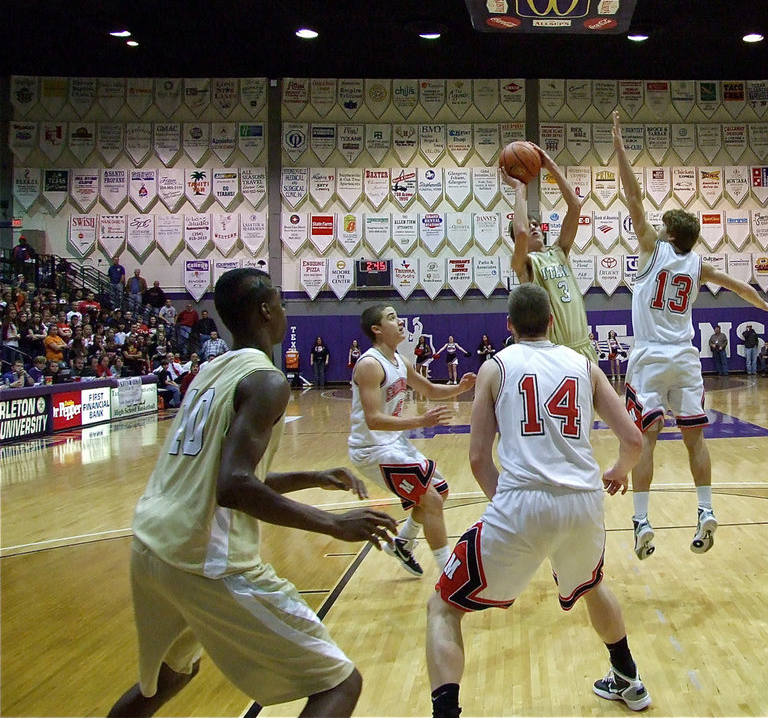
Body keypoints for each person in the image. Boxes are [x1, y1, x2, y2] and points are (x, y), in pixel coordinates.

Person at [107, 267, 397, 718]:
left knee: (168, 678)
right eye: (281, 303)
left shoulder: (212, 371)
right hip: (202, 557)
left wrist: (313, 476)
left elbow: (216, 475)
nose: (284, 311)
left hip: (150, 545)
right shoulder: (267, 381)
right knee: (338, 683)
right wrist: (333, 523)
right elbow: (233, 487)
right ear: (266, 311)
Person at [426, 283, 648, 718]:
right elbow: (634, 439)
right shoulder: (584, 365)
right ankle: (629, 678)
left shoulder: (495, 366)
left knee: (444, 605)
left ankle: (445, 713)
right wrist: (618, 471)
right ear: (552, 321)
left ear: (508, 325)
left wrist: (508, 505)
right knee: (591, 583)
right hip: (583, 503)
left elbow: (477, 458)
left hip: (522, 504)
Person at [614, 110, 768, 559]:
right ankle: (705, 509)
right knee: (695, 439)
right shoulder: (696, 264)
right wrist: (761, 303)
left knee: (645, 438)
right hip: (685, 358)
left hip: (649, 356)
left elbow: (631, 194)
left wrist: (618, 142)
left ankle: (642, 519)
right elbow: (736, 283)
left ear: (667, 232)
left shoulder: (652, 248)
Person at [350, 305, 476, 576]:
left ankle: (402, 543)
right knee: (430, 500)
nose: (400, 321)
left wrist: (460, 388)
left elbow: (428, 389)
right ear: (377, 329)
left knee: (439, 491)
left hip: (392, 443)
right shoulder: (370, 364)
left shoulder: (399, 361)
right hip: (372, 449)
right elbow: (373, 419)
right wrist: (420, 421)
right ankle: (448, 574)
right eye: (392, 318)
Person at [506, 144, 597, 362]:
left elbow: (575, 206)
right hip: (555, 353)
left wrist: (549, 164)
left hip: (583, 346)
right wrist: (519, 190)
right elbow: (519, 232)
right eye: (529, 225)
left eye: (536, 224)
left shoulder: (559, 252)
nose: (534, 227)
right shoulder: (525, 264)